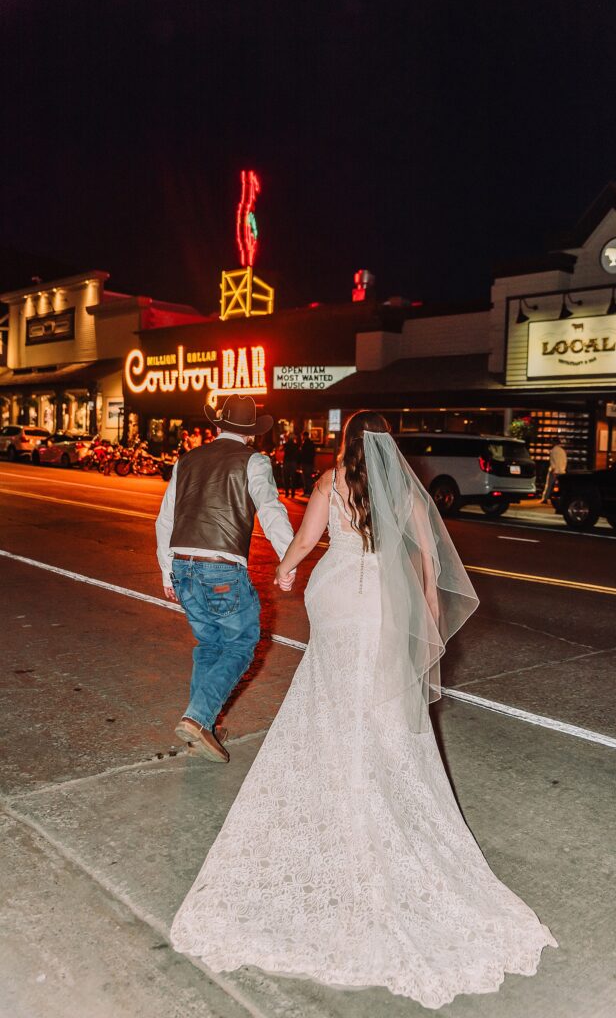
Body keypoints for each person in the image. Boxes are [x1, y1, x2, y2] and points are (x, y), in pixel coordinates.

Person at [170, 410, 556, 1007]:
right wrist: (425, 608)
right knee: (377, 696)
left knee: (329, 687)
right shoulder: (405, 487)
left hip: (334, 594)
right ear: (388, 446)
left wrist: (291, 568)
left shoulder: (330, 482)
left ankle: (332, 771)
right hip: (381, 597)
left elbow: (305, 539)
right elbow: (427, 560)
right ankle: (373, 775)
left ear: (348, 441)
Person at [155, 394, 294, 763]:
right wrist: (289, 557)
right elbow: (270, 509)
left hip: (183, 564)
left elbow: (165, 519)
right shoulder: (254, 460)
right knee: (241, 643)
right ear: (252, 434)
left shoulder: (187, 459)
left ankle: (204, 726)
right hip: (222, 567)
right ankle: (197, 718)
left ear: (217, 426)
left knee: (209, 645)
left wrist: (166, 569)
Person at [541, 438, 568, 502]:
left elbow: (552, 461)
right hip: (562, 471)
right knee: (561, 486)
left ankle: (545, 498)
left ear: (554, 443)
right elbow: (565, 461)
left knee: (549, 485)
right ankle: (562, 498)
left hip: (554, 470)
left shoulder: (553, 450)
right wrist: (563, 469)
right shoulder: (563, 451)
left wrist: (553, 469)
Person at [299, 429, 316, 496]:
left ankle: (307, 492)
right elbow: (313, 453)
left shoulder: (305, 443)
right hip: (310, 463)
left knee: (306, 478)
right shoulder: (311, 443)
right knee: (308, 477)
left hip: (305, 463)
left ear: (304, 436)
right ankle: (308, 492)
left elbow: (302, 454)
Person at [282, 433, 299, 498]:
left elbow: (281, 449)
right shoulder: (296, 445)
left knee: (286, 478)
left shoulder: (286, 444)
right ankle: (293, 494)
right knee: (293, 478)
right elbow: (298, 454)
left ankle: (287, 493)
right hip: (293, 462)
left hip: (286, 462)